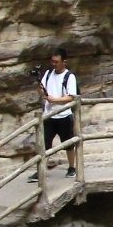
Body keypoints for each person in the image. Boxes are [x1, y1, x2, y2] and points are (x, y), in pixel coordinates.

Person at [40, 50, 80, 179]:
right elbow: (42, 90)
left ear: (64, 62)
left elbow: (71, 97)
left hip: (64, 115)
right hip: (49, 115)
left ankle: (71, 167)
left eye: (56, 62)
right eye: (52, 61)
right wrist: (42, 91)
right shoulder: (47, 74)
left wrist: (54, 100)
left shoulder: (69, 76)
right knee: (45, 144)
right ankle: (42, 170)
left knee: (68, 143)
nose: (53, 64)